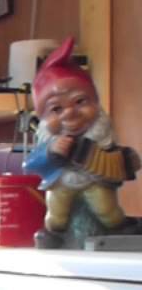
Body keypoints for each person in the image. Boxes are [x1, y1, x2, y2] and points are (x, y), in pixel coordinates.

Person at [23, 36, 140, 248]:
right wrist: (50, 151)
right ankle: (53, 234)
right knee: (57, 215)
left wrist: (127, 160)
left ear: (95, 102)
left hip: (94, 182)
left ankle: (119, 228)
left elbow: (116, 159)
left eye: (80, 102)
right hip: (61, 184)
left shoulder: (101, 134)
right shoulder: (48, 139)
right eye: (57, 109)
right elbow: (30, 164)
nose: (70, 113)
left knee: (108, 211)